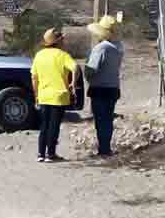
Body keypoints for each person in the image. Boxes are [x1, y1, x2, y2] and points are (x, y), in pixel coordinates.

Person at [31, 28, 78, 162]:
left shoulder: (39, 55)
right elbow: (75, 68)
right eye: (62, 39)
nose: (63, 41)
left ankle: (40, 154)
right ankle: (51, 154)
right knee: (54, 125)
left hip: (44, 95)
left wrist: (36, 95)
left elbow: (34, 78)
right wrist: (73, 83)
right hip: (59, 96)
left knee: (44, 125)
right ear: (58, 42)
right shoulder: (63, 55)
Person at [85, 15, 124, 157]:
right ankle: (106, 148)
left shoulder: (101, 48)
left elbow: (91, 70)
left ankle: (103, 149)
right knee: (108, 119)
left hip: (100, 88)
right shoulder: (118, 47)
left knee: (100, 120)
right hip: (113, 87)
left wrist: (87, 75)